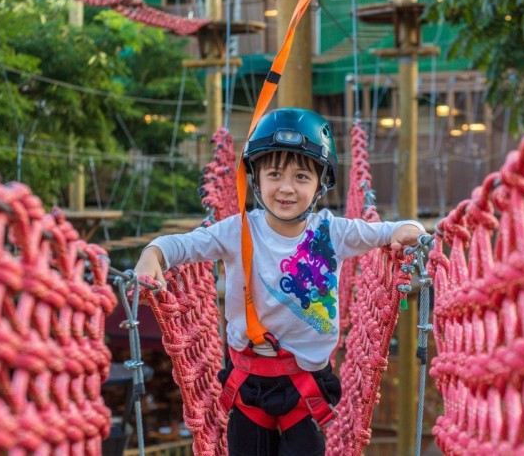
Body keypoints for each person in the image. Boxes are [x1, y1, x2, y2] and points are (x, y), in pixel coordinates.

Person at [134, 108, 426, 455]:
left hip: (308, 388)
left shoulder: (332, 231)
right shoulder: (237, 231)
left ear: (321, 183)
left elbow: (394, 229)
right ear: (256, 178)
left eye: (302, 177)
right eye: (274, 174)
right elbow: (180, 246)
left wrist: (413, 233)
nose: (286, 188)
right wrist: (152, 256)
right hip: (249, 383)